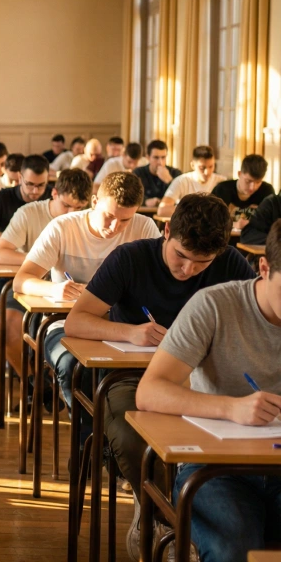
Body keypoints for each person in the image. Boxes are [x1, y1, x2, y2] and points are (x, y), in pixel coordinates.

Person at [62, 193, 255, 559]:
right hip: (131, 375)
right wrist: (129, 332)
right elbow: (76, 321)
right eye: (181, 256)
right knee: (132, 433)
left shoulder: (230, 262)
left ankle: (191, 518)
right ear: (166, 231)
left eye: (202, 263)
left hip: (205, 379)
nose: (188, 270)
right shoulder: (131, 257)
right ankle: (160, 514)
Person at [134, 219, 281, 562]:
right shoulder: (214, 305)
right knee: (235, 551)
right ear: (263, 268)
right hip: (215, 467)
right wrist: (230, 408)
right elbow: (149, 392)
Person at [13, 172, 161, 419]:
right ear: (94, 202)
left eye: (125, 220)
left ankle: (111, 438)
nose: (115, 228)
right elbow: (21, 280)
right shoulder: (63, 227)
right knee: (73, 366)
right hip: (66, 323)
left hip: (122, 325)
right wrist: (54, 289)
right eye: (109, 216)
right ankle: (87, 444)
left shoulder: (144, 227)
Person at [0, 168, 92, 378]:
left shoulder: (92, 223)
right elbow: (0, 254)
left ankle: (58, 381)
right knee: (7, 324)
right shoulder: (29, 212)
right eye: (66, 205)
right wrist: (40, 259)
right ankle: (32, 382)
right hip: (33, 282)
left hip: (75, 291)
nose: (71, 213)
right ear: (54, 194)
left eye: (79, 207)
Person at [0, 154, 50, 244]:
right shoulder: (2, 198)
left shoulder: (53, 197)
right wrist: (14, 238)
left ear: (47, 179)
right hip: (9, 251)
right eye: (30, 184)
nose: (35, 191)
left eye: (41, 185)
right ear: (20, 178)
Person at [211, 153, 274, 230]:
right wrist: (234, 224)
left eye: (258, 182)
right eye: (248, 181)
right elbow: (211, 220)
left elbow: (272, 221)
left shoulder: (267, 191)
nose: (252, 187)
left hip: (255, 240)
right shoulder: (222, 189)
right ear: (239, 174)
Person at [159, 145, 226, 216]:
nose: (207, 172)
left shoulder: (221, 181)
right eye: (202, 168)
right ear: (193, 165)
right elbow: (162, 210)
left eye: (211, 166)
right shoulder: (181, 181)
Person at [133, 140, 181, 207]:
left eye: (163, 157)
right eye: (156, 157)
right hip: (145, 213)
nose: (160, 162)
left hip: (168, 214)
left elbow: (182, 197)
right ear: (148, 157)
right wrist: (145, 201)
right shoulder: (138, 173)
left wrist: (170, 181)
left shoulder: (175, 173)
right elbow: (131, 195)